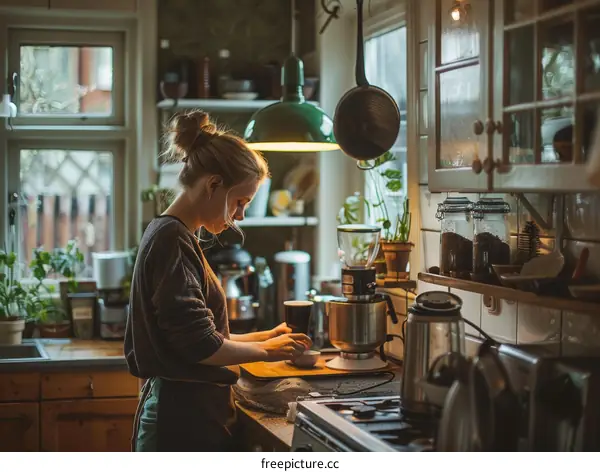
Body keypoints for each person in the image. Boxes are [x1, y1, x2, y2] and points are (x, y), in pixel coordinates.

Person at [124, 110, 312, 452]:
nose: (240, 215)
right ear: (213, 184)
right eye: (240, 202)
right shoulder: (171, 239)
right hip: (179, 420)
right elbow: (199, 346)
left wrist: (265, 336)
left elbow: (203, 337)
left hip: (190, 413)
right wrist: (267, 351)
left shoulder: (175, 235)